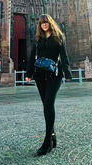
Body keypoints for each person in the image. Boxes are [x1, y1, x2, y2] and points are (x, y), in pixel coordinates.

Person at [25, 14, 72, 156]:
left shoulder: (58, 37)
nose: (44, 25)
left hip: (54, 75)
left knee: (48, 104)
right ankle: (52, 136)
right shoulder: (38, 39)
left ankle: (47, 142)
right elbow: (32, 55)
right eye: (41, 23)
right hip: (40, 75)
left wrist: (67, 72)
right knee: (46, 106)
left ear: (50, 23)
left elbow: (64, 56)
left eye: (45, 22)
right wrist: (28, 73)